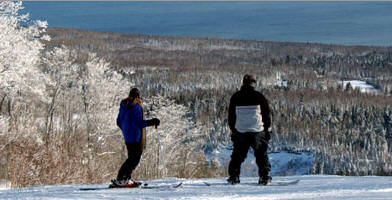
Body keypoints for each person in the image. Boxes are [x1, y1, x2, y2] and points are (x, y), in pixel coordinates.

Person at [227, 74, 272, 185]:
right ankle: (264, 178)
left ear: (243, 83)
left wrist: (234, 130)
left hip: (241, 131)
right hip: (257, 130)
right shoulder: (259, 96)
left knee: (237, 155)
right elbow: (266, 115)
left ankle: (234, 177)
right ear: (253, 84)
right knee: (261, 154)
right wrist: (267, 130)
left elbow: (231, 116)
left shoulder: (235, 97)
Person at [111, 88, 160, 187]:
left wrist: (126, 130)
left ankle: (125, 178)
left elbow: (118, 121)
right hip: (136, 137)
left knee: (131, 158)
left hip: (128, 136)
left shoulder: (123, 105)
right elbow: (139, 123)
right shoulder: (136, 106)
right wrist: (152, 122)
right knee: (134, 159)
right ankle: (121, 179)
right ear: (138, 96)